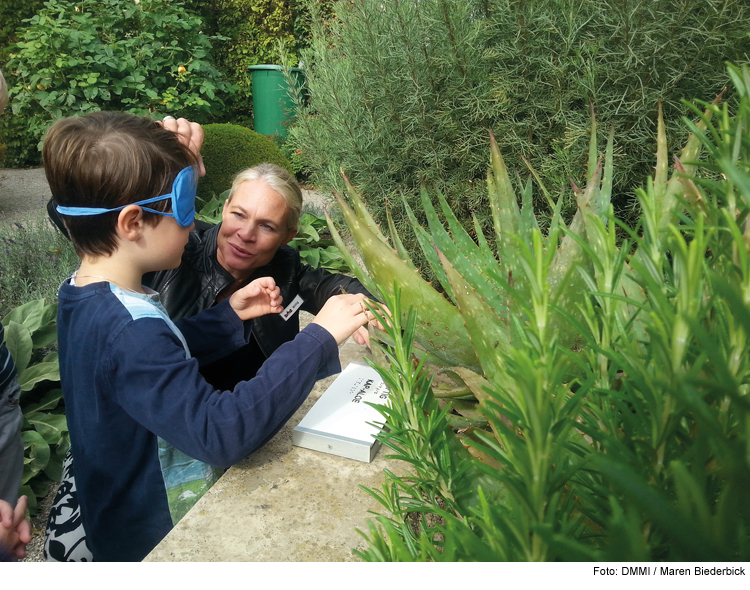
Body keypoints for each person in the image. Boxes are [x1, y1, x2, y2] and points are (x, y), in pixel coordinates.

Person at [43, 111, 376, 561]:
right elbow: (220, 431)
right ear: (132, 222)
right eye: (184, 206)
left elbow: (148, 358)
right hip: (151, 539)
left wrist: (227, 317)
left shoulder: (88, 294)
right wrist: (317, 337)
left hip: (117, 510)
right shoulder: (130, 328)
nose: (196, 224)